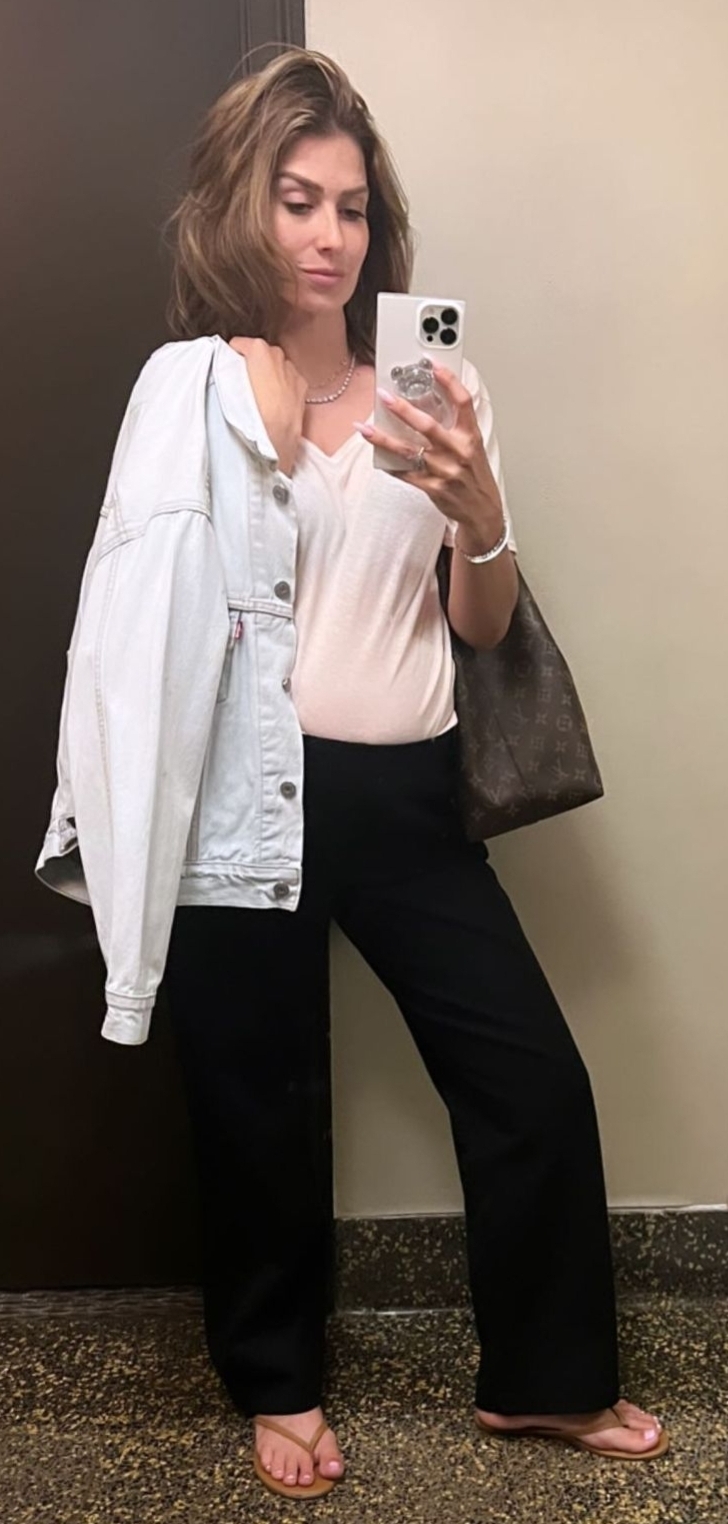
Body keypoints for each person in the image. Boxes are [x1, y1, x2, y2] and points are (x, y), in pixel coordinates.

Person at [38, 48, 668, 1501]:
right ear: (239, 208)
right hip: (242, 796)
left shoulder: (437, 392)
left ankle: (545, 1380)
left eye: (353, 207)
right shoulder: (192, 389)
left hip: (407, 795)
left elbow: (479, 630)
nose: (329, 236)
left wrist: (481, 512)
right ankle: (279, 1382)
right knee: (255, 1101)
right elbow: (139, 614)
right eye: (297, 201)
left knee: (528, 1077)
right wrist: (261, 433)